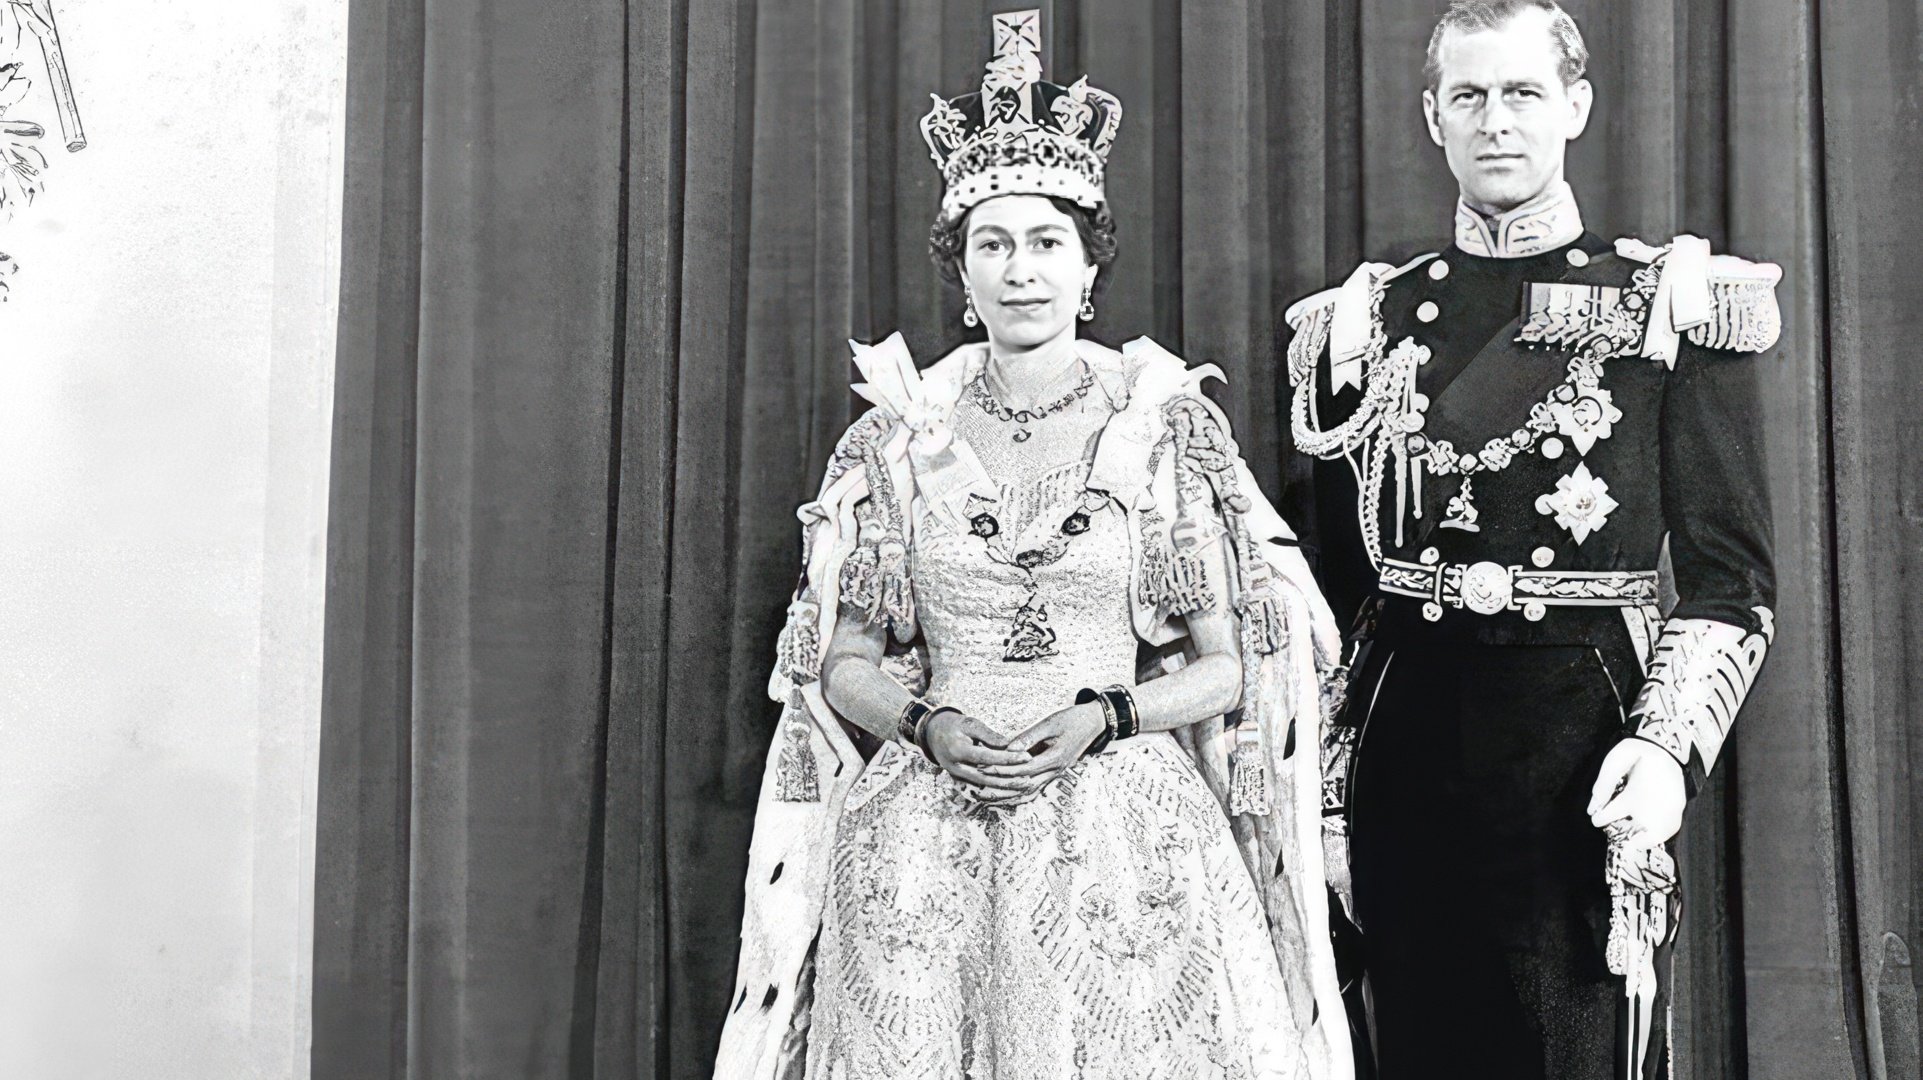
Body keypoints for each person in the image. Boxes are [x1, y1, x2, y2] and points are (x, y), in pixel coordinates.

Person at [713, 10, 1352, 1080]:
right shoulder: (895, 440)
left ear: (1088, 264)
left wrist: (1109, 717)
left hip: (1121, 832)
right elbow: (846, 665)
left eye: (1047, 242)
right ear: (959, 272)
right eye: (992, 245)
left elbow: (1227, 666)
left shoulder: (1161, 429)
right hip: (927, 829)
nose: (1021, 271)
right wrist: (927, 724)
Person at [1283, 2, 1780, 1077]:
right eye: (1469, 96)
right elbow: (1336, 589)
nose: (1495, 122)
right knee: (1414, 1039)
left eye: (1522, 93)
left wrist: (1666, 747)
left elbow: (1730, 582)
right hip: (1404, 731)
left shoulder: (1669, 306)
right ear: (1432, 116)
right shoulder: (1366, 320)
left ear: (1576, 106)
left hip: (1582, 731)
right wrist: (1323, 771)